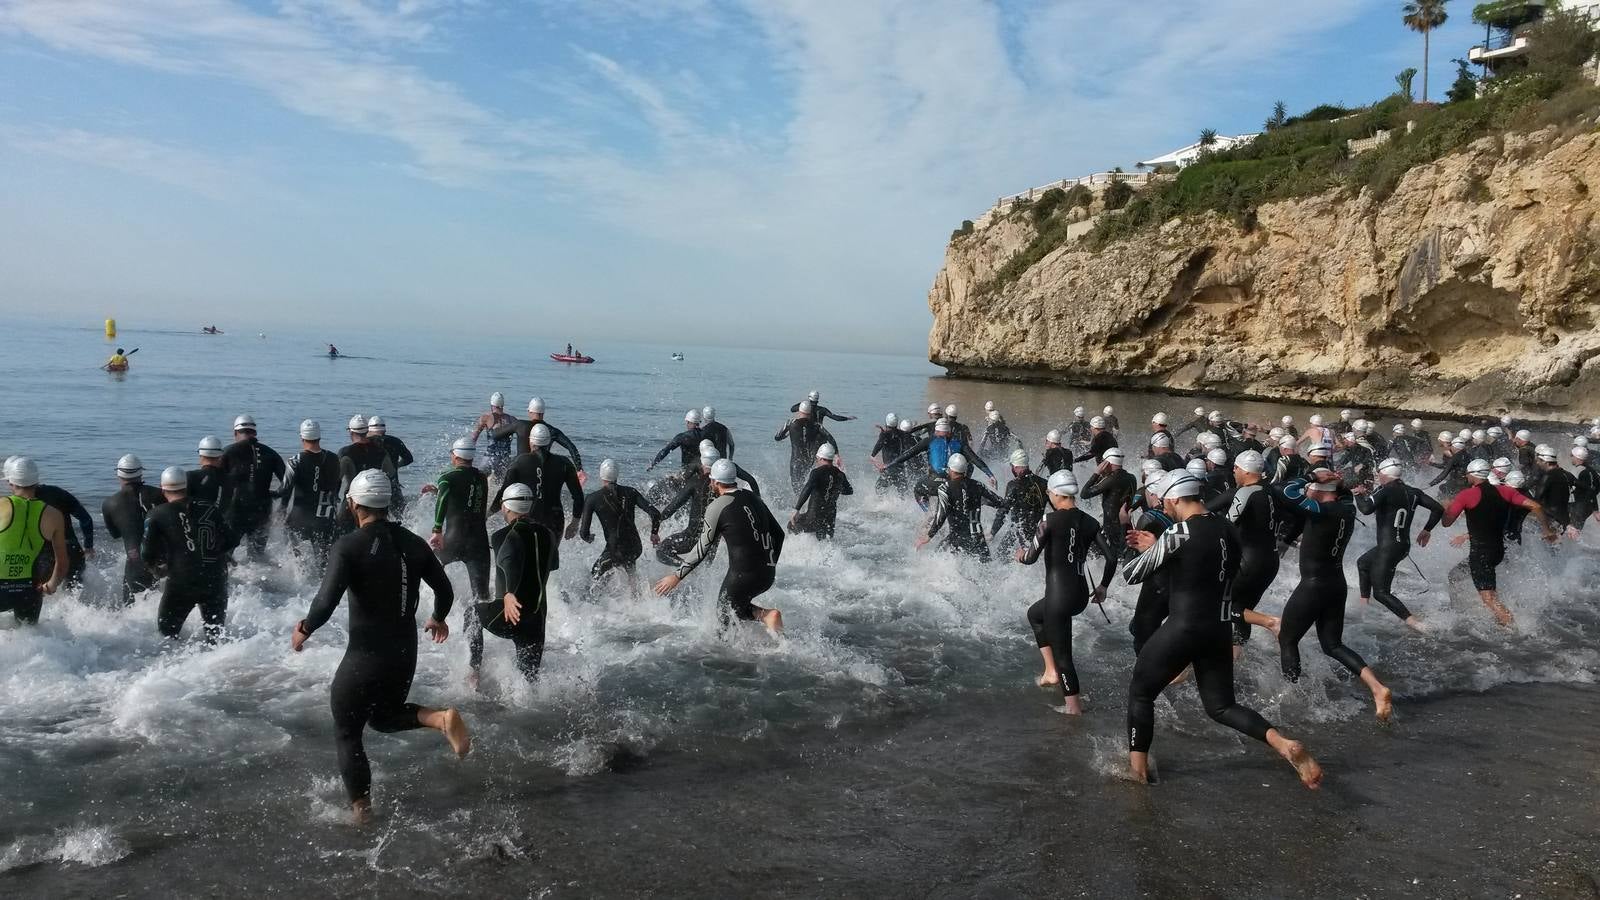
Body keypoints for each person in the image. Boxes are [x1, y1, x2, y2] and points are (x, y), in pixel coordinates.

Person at [1122, 471, 1321, 788]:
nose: (1163, 505)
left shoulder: (1179, 532)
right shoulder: (1227, 528)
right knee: (1222, 706)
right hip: (1219, 629)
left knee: (1140, 692)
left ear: (1174, 497)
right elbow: (1206, 567)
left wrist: (1154, 549)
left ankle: (1138, 775)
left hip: (1184, 627)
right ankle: (1284, 744)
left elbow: (1132, 574)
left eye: (1164, 500)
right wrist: (1164, 549)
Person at [291, 470, 468, 824]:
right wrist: (438, 617)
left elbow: (326, 601)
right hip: (404, 653)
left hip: (366, 655)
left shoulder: (349, 545)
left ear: (354, 503)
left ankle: (362, 813)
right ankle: (439, 719)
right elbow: (445, 589)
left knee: (347, 731)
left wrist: (304, 629)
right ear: (386, 503)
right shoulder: (414, 542)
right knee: (383, 717)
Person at [1273, 470, 1394, 722]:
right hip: (1336, 584)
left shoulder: (1321, 511)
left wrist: (1308, 474)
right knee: (1333, 645)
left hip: (1313, 586)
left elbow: (1284, 491)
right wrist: (1334, 480)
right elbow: (1345, 493)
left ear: (1320, 492)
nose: (1307, 492)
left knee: (1287, 638)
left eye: (1311, 490)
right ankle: (1377, 688)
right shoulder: (1347, 509)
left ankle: (1293, 694)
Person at [1017, 470, 1116, 715]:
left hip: (1058, 598)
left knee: (1065, 657)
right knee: (1034, 615)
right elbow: (1111, 557)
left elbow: (1030, 558)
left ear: (1056, 494)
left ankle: (1073, 708)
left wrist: (1019, 555)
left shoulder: (1048, 521)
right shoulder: (1090, 521)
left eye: (1049, 492)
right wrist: (1103, 586)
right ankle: (1050, 672)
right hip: (1080, 596)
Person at [653, 459, 785, 633]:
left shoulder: (717, 505)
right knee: (736, 607)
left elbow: (702, 547)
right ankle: (766, 625)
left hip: (743, 576)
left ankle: (764, 620)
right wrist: (770, 562)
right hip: (768, 574)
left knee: (724, 614)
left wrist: (676, 577)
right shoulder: (753, 496)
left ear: (714, 481)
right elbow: (779, 534)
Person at [1440, 458, 1555, 627]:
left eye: (1467, 474)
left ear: (1472, 475)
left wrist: (1447, 508)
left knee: (1489, 598)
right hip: (1499, 551)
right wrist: (1547, 530)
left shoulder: (1466, 495)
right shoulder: (1505, 491)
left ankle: (1513, 628)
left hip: (1481, 552)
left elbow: (1446, 522)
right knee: (1456, 575)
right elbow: (1536, 507)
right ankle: (1469, 613)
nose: (1466, 476)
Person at [142, 466, 239, 642]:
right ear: (185, 486)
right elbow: (233, 539)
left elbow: (147, 552)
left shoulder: (156, 514)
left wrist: (157, 570)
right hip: (215, 578)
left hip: (181, 581)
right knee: (215, 637)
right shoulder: (210, 507)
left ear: (162, 488)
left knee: (167, 637)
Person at [422, 439, 491, 682]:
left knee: (425, 573)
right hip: (479, 544)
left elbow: (443, 502)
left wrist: (437, 529)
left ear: (455, 456)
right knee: (479, 602)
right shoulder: (481, 477)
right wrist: (439, 490)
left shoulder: (447, 476)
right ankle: (475, 669)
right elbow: (471, 503)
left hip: (452, 540)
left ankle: (428, 616)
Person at [475, 482, 557, 682]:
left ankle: (473, 671)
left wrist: (509, 593)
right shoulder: (549, 534)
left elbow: (509, 560)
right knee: (529, 681)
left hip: (510, 613)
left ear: (505, 507)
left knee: (472, 614)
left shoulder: (501, 536)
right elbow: (552, 564)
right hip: (537, 619)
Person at [1208, 450, 1287, 648]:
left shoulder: (1245, 492)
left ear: (1245, 470)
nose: (1233, 471)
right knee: (1243, 611)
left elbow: (1222, 523)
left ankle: (1271, 622)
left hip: (1248, 562)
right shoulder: (1273, 491)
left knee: (1218, 605)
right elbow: (1295, 518)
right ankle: (1235, 660)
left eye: (1235, 467)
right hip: (1271, 561)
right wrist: (1287, 541)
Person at [1354, 458, 1442, 633]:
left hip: (1389, 548)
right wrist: (1427, 530)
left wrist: (1357, 493)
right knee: (1363, 562)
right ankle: (1364, 605)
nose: (1377, 475)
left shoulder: (1385, 491)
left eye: (1379, 472)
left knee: (1381, 592)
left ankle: (1414, 622)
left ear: (1385, 473)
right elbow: (1438, 508)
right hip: (1402, 546)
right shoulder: (1413, 492)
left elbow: (1365, 509)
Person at [491, 424, 583, 574]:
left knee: (525, 562)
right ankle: (548, 594)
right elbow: (578, 497)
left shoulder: (520, 462)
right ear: (548, 443)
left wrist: (488, 514)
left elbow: (504, 492)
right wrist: (575, 523)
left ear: (531, 442)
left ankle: (521, 593)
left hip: (528, 518)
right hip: (555, 521)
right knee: (545, 565)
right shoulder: (564, 463)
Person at [1, 457, 69, 624]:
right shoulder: (54, 514)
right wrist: (51, 585)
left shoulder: (2, 505)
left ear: (10, 481)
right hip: (29, 590)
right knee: (29, 637)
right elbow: (62, 562)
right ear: (36, 482)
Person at [579, 459, 662, 593]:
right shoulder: (632, 492)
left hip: (615, 550)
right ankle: (636, 599)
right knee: (628, 565)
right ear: (617, 475)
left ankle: (597, 606)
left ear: (601, 475)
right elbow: (656, 514)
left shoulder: (592, 498)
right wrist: (654, 533)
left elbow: (583, 533)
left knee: (595, 576)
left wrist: (589, 538)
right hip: (636, 547)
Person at [279, 419, 344, 575]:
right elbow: (338, 484)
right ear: (319, 437)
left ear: (302, 438)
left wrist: (280, 508)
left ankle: (300, 588)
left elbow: (285, 489)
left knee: (299, 564)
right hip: (325, 518)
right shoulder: (334, 459)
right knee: (324, 565)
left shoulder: (295, 461)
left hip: (299, 518)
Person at [102, 454, 166, 606]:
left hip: (135, 561)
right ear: (141, 473)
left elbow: (115, 534)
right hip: (164, 560)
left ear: (118, 474)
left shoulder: (109, 503)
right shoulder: (160, 494)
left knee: (132, 610)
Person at [915, 455, 1004, 561]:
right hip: (979, 540)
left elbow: (941, 515)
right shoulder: (978, 485)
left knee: (936, 559)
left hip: (957, 539)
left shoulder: (945, 488)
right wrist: (994, 529)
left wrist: (928, 536)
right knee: (987, 570)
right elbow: (1001, 504)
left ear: (950, 470)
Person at [220, 414, 285, 558]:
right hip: (262, 510)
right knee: (257, 557)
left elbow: (214, 480)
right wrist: (274, 494)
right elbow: (288, 482)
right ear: (254, 433)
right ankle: (259, 580)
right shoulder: (270, 453)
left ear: (235, 433)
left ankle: (234, 580)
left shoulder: (227, 452)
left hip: (235, 510)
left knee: (226, 555)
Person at [655, 449, 720, 566]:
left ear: (702, 463)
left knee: (661, 550)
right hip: (714, 541)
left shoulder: (696, 482)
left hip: (693, 538)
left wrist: (657, 521)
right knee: (705, 569)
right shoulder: (725, 487)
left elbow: (673, 506)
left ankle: (685, 567)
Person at [492, 398, 586, 478]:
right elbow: (571, 447)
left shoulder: (520, 425)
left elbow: (495, 435)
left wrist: (498, 427)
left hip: (520, 467)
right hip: (541, 471)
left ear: (529, 411)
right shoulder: (551, 430)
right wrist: (579, 469)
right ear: (543, 413)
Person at [337, 415, 396, 533]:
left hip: (353, 500)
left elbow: (337, 477)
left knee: (341, 532)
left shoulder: (346, 452)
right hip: (377, 499)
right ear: (367, 431)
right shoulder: (381, 450)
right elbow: (391, 473)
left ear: (351, 432)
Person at [33, 477, 94, 587]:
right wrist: (88, 546)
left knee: (42, 594)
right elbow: (86, 519)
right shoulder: (57, 492)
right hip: (72, 551)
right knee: (76, 593)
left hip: (47, 556)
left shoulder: (20, 503)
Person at [990, 448, 1050, 553]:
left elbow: (1004, 510)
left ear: (1016, 467)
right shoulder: (1044, 483)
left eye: (1012, 467)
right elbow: (1057, 508)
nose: (1012, 469)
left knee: (1000, 557)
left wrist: (993, 532)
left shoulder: (1013, 485)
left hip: (1018, 532)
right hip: (1038, 532)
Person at [1081, 447, 1136, 557]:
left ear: (1107, 463)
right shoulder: (1132, 478)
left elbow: (1084, 494)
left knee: (1091, 551)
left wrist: (1096, 473)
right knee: (1119, 557)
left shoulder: (1111, 479)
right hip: (1125, 526)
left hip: (1112, 529)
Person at [775, 402, 843, 493]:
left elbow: (777, 437)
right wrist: (837, 455)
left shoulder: (790, 423)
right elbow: (830, 438)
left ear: (799, 411)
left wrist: (787, 434)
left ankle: (799, 504)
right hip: (808, 461)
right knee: (806, 482)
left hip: (796, 461)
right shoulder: (817, 425)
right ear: (810, 413)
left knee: (797, 487)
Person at [790, 444, 853, 539]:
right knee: (824, 542)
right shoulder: (840, 474)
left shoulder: (816, 472)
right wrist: (834, 487)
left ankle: (797, 550)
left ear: (820, 458)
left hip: (813, 518)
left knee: (791, 525)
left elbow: (808, 488)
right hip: (829, 520)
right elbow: (849, 491)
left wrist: (796, 509)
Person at [367, 416, 414, 512]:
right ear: (384, 430)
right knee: (400, 516)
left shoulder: (365, 443)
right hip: (392, 484)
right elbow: (409, 459)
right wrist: (396, 466)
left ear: (369, 430)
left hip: (371, 486)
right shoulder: (395, 441)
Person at [469, 392, 516, 481]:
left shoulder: (485, 418)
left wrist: (469, 455)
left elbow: (474, 438)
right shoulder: (512, 419)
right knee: (501, 484)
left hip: (490, 458)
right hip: (505, 459)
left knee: (478, 480)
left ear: (492, 404)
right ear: (503, 404)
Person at [190, 435, 234, 514]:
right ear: (220, 456)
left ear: (200, 455)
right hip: (221, 522)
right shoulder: (229, 480)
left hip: (197, 523)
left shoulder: (190, 476)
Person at [789, 390, 856, 424]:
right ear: (817, 399)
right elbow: (835, 417)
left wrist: (803, 403)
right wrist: (847, 418)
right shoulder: (822, 410)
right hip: (818, 432)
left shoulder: (804, 407)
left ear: (809, 397)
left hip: (806, 430)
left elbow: (792, 409)